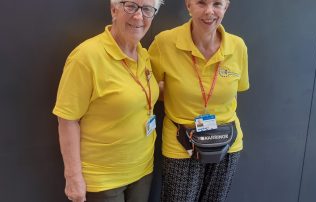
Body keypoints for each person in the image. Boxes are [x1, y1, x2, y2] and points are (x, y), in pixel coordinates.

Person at [52, 0, 163, 201]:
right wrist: (73, 176)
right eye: (131, 6)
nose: (139, 16)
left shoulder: (143, 54)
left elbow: (138, 95)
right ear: (114, 9)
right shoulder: (86, 57)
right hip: (104, 178)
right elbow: (67, 120)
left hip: (143, 168)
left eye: (147, 9)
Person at [149, 0, 249, 201]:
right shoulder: (165, 42)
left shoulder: (237, 46)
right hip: (181, 143)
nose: (209, 11)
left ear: (226, 7)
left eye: (217, 4)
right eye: (201, 3)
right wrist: (175, 93)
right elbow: (146, 89)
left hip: (227, 142)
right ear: (188, 5)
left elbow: (237, 89)